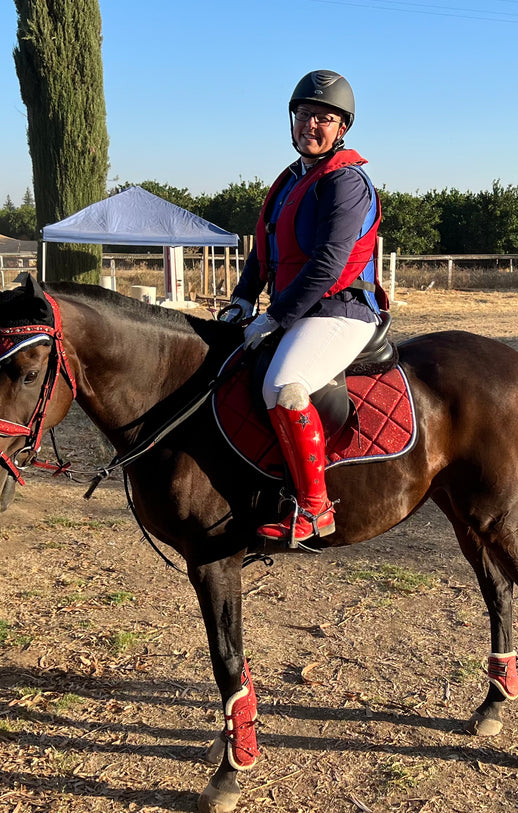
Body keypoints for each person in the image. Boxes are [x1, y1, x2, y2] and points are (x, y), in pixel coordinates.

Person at [219, 69, 387, 549]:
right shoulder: (293, 178)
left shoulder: (346, 183)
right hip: (299, 309)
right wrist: (244, 298)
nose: (311, 125)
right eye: (304, 114)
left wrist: (276, 316)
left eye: (324, 118)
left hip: (340, 311)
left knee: (284, 387)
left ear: (342, 129)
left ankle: (315, 510)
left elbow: (330, 263)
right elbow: (264, 249)